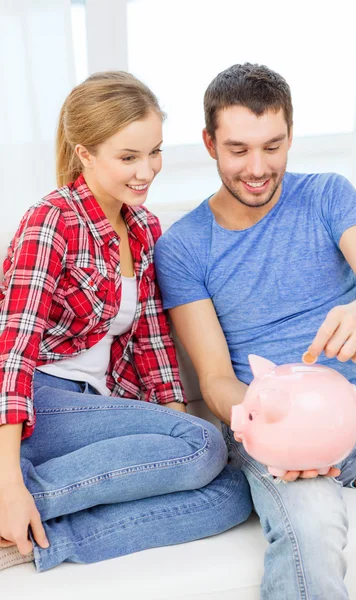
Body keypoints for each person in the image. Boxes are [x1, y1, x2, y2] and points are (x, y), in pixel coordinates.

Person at [154, 63, 356, 599]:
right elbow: (213, 381)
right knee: (314, 529)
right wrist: (282, 433)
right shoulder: (183, 247)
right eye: (238, 150)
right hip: (269, 430)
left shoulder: (327, 195)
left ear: (291, 135)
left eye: (273, 147)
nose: (257, 168)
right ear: (209, 143)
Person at [0, 71, 252, 573]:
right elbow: (13, 353)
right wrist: (6, 480)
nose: (147, 171)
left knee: (232, 487)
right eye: (128, 157)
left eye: (154, 152)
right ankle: (19, 503)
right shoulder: (52, 221)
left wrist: (173, 422)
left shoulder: (143, 228)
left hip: (94, 408)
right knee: (204, 443)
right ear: (85, 154)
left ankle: (43, 539)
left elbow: (153, 342)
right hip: (39, 401)